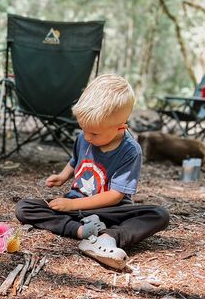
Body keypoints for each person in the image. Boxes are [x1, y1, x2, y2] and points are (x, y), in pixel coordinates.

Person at [15, 74, 170, 270]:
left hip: (110, 211)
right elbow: (75, 161)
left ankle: (107, 238)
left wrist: (71, 205)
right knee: (24, 207)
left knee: (158, 214)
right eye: (83, 129)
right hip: (77, 210)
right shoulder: (85, 136)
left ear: (120, 127)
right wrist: (63, 176)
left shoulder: (130, 151)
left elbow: (115, 196)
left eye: (94, 133)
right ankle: (81, 231)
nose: (87, 137)